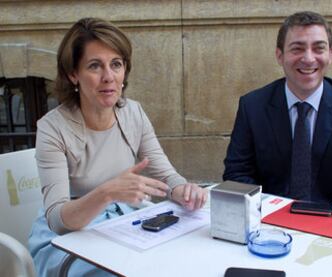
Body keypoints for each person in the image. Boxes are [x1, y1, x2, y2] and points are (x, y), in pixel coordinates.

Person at [29, 17, 208, 277]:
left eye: (116, 64)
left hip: (123, 224)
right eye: (94, 66)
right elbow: (57, 220)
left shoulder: (133, 112)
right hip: (67, 241)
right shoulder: (52, 128)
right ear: (73, 74)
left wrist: (183, 190)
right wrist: (107, 193)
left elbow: (166, 176)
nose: (108, 77)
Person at [223, 11, 332, 211]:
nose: (309, 58)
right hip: (270, 221)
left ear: (330, 54)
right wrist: (269, 210)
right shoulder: (252, 106)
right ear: (280, 55)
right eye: (297, 49)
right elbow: (236, 173)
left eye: (319, 48)